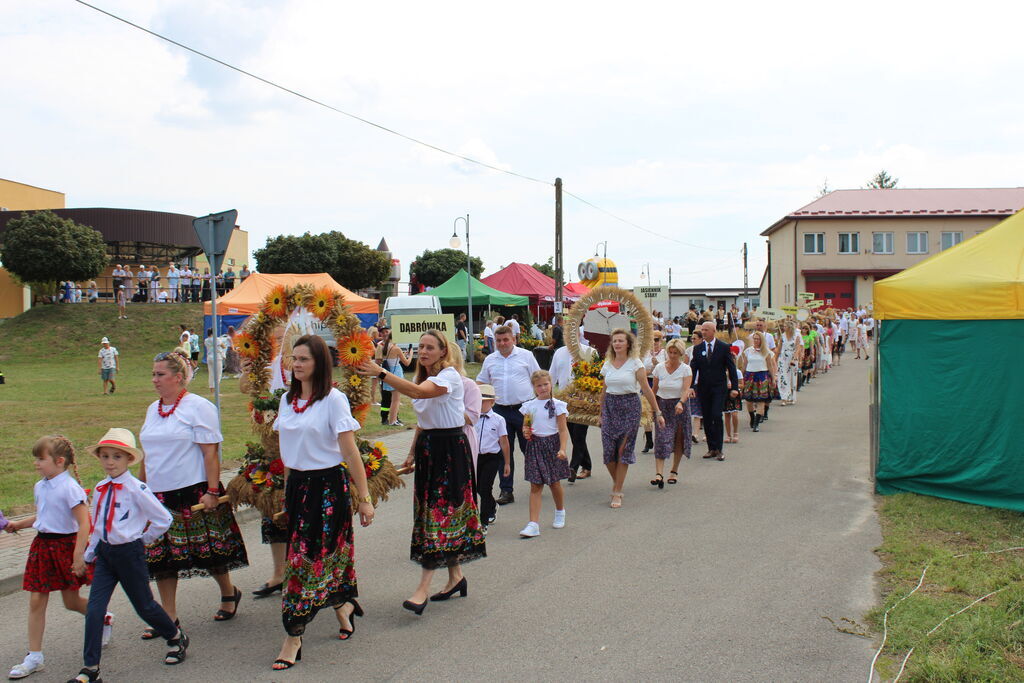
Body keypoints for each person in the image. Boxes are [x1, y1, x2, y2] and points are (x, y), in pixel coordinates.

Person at [356, 330, 486, 615]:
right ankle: (456, 578)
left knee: (438, 516)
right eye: (421, 347)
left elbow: (418, 394)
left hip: (451, 449)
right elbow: (423, 422)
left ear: (443, 352)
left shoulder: (449, 376)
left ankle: (422, 589)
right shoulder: (423, 378)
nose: (424, 351)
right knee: (432, 513)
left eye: (430, 347)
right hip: (431, 448)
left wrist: (381, 373)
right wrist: (413, 452)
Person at [270, 335, 374, 670]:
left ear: (319, 363)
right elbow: (288, 454)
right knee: (303, 558)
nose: (296, 364)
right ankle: (342, 606)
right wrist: (288, 497)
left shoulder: (333, 400)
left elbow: (349, 452)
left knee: (310, 561)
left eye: (303, 359)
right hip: (298, 488)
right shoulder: (287, 401)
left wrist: (365, 498)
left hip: (329, 489)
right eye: (294, 358)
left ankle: (293, 637)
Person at [138, 351, 248, 637]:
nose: (155, 380)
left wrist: (212, 491)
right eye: (153, 374)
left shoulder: (198, 407)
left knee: (210, 552)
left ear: (178, 377)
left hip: (193, 492)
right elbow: (146, 456)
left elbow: (210, 452)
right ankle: (168, 617)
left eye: (160, 374)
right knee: (162, 559)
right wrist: (139, 492)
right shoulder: (153, 409)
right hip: (159, 497)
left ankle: (228, 592)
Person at [67, 428, 189, 683]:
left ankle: (175, 636)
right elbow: (99, 525)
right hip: (105, 556)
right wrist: (89, 554)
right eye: (105, 456)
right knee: (95, 610)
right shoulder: (100, 489)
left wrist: (141, 540)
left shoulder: (136, 489)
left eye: (117, 457)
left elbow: (163, 518)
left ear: (128, 460)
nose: (110, 462)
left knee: (144, 606)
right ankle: (90, 668)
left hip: (129, 553)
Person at [5, 436, 96, 681]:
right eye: (36, 458)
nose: (36, 463)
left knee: (71, 602)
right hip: (42, 547)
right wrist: (17, 524)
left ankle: (101, 616)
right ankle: (34, 656)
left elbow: (84, 522)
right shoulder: (40, 486)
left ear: (59, 461)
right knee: (36, 600)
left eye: (40, 459)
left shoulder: (69, 488)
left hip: (66, 547)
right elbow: (43, 516)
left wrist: (79, 556)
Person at [475, 325, 540, 505]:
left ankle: (537, 483)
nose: (502, 343)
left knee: (530, 447)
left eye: (506, 340)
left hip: (525, 409)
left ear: (514, 340)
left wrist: (544, 403)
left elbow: (538, 378)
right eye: (499, 341)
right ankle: (506, 490)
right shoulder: (490, 360)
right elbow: (481, 381)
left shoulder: (526, 356)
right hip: (500, 411)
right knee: (504, 451)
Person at [600, 329, 664, 508]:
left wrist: (657, 412)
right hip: (610, 407)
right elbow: (604, 391)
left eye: (621, 341)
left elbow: (647, 389)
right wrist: (600, 413)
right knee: (608, 453)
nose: (617, 344)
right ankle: (618, 481)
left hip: (630, 407)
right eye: (615, 341)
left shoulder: (636, 364)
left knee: (622, 450)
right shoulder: (608, 364)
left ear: (628, 344)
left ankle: (617, 491)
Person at [518, 370, 570, 538]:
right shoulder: (529, 406)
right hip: (535, 446)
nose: (542, 388)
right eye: (538, 385)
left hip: (552, 445)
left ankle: (560, 511)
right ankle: (533, 524)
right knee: (535, 485)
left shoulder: (558, 405)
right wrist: (526, 432)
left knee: (554, 483)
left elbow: (562, 429)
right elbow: (526, 425)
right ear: (534, 388)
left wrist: (562, 448)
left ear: (551, 384)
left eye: (545, 384)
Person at [689, 321, 739, 461]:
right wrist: (691, 386)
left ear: (713, 331)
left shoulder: (723, 347)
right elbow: (693, 369)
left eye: (706, 330)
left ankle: (719, 449)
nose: (703, 332)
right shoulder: (697, 349)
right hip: (704, 388)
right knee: (707, 417)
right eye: (702, 330)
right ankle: (711, 448)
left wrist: (735, 387)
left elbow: (731, 368)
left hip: (719, 388)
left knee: (717, 415)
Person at [650, 339, 693, 487]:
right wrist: (652, 407)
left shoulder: (686, 369)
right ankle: (659, 473)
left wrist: (681, 402)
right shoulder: (659, 368)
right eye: (670, 352)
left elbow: (686, 389)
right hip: (663, 405)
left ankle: (674, 471)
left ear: (681, 354)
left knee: (678, 438)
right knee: (661, 437)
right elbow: (654, 390)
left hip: (679, 406)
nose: (672, 355)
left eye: (676, 353)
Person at [474, 385, 510, 528]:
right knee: (477, 487)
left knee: (485, 487)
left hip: (491, 457)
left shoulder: (498, 419)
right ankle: (492, 504)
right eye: (478, 401)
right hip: (476, 457)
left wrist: (507, 463)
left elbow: (504, 442)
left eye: (484, 401)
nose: (481, 404)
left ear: (492, 402)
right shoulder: (472, 417)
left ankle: (483, 522)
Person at [449, 344, 482, 471]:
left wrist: (449, 404)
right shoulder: (431, 383)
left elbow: (472, 418)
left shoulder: (468, 385)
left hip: (461, 436)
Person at [741, 332, 776, 432]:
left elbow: (770, 366)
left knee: (761, 400)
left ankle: (756, 423)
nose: (756, 341)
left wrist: (773, 378)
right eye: (754, 339)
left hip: (762, 376)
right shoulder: (748, 351)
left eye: (758, 339)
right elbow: (744, 365)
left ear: (762, 340)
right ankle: (752, 417)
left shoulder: (766, 352)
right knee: (749, 400)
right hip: (749, 376)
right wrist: (740, 376)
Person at [376, 328, 410, 426]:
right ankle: (385, 418)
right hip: (385, 371)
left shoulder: (392, 345)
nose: (385, 333)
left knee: (393, 398)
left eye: (386, 331)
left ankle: (395, 417)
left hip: (387, 371)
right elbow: (378, 361)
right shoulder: (380, 345)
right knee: (387, 398)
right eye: (383, 332)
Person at [776, 320, 802, 405]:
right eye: (784, 326)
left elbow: (798, 348)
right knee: (783, 377)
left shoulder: (797, 336)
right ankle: (784, 397)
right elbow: (779, 348)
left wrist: (794, 359)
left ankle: (791, 396)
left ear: (790, 327)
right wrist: (775, 359)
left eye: (785, 326)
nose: (784, 328)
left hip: (792, 358)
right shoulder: (782, 336)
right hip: (783, 358)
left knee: (792, 378)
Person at [686, 331, 704, 443]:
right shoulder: (689, 350)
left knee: (704, 409)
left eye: (695, 338)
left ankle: (705, 433)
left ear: (701, 339)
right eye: (692, 338)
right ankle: (695, 434)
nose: (693, 340)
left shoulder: (704, 349)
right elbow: (685, 366)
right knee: (695, 409)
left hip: (703, 382)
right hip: (692, 382)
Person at [204, 328, 226, 394]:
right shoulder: (217, 339)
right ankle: (216, 391)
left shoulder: (206, 340)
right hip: (217, 357)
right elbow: (223, 346)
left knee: (211, 374)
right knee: (218, 374)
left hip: (209, 357)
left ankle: (212, 391)